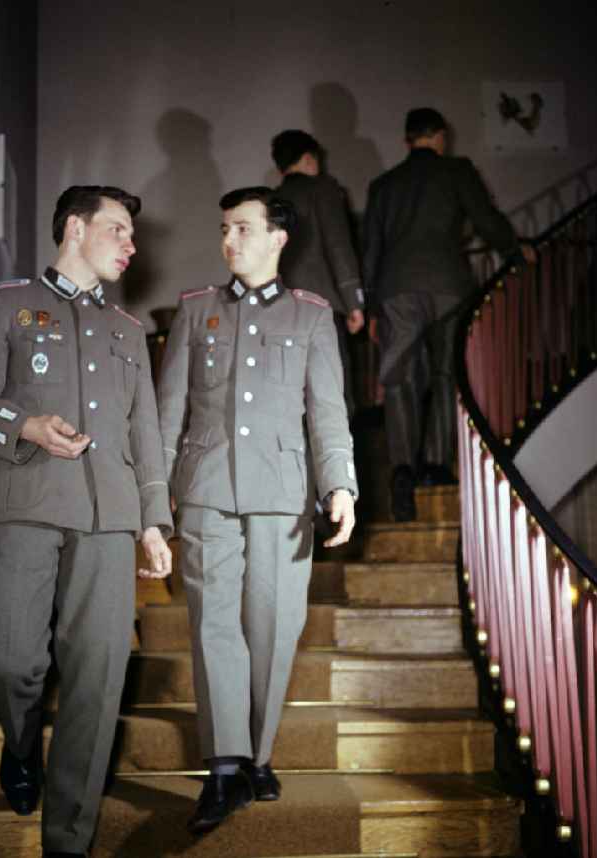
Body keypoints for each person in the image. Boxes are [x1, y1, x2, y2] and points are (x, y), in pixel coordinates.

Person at [0, 185, 173, 858]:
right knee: (13, 659)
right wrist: (27, 424)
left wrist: (154, 523)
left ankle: (67, 842)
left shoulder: (130, 332)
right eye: (119, 230)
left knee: (99, 678)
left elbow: (147, 437)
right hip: (27, 505)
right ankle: (20, 745)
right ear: (75, 229)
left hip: (108, 518)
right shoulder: (9, 303)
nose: (132, 245)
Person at [157, 186, 358, 834]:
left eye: (243, 228)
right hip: (207, 490)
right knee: (214, 627)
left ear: (278, 238)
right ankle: (223, 767)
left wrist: (342, 487)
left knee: (272, 629)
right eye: (224, 228)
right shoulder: (194, 311)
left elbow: (327, 411)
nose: (229, 241)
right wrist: (153, 501)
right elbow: (167, 415)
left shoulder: (310, 317)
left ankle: (259, 755)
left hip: (282, 495)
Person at [362, 108, 534, 521]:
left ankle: (402, 467)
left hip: (396, 290)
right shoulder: (457, 171)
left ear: (407, 140)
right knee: (446, 375)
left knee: (398, 379)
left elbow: (370, 248)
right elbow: (485, 218)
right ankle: (437, 465)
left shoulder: (384, 185)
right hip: (449, 287)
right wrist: (514, 250)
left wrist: (369, 306)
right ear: (440, 136)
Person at [272, 130, 365, 416]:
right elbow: (339, 247)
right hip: (321, 306)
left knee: (294, 395)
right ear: (309, 159)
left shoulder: (270, 201)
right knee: (334, 392)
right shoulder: (323, 189)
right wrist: (354, 303)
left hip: (280, 309)